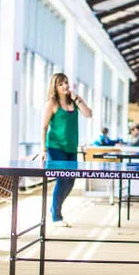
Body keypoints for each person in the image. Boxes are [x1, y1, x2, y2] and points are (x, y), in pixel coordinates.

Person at [41, 73, 92, 227]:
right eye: (61, 84)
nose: (65, 86)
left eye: (66, 83)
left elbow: (89, 114)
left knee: (71, 181)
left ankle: (55, 208)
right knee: (62, 179)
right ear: (55, 87)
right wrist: (43, 149)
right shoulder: (51, 103)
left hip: (71, 148)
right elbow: (44, 127)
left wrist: (78, 99)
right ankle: (56, 216)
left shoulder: (74, 102)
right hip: (56, 147)